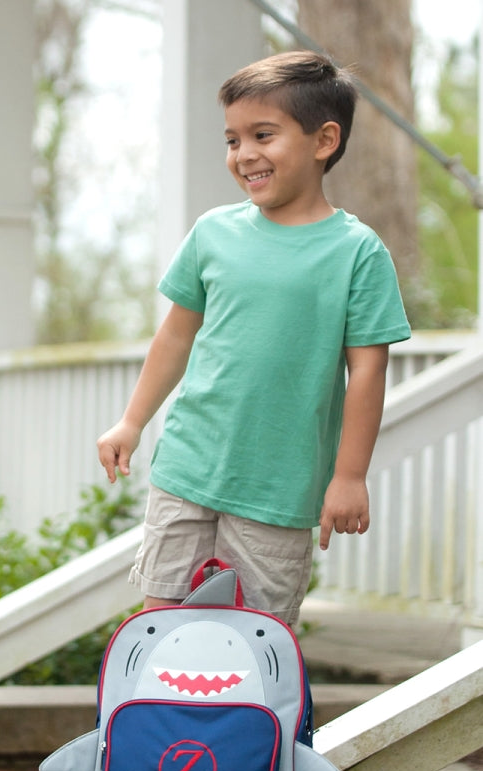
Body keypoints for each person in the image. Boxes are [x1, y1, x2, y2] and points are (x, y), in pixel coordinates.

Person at [96, 50, 411, 626]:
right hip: (189, 464)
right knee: (158, 619)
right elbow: (175, 336)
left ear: (323, 141)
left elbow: (367, 370)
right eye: (232, 140)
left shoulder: (357, 252)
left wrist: (349, 475)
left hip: (280, 486)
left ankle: (259, 720)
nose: (243, 155)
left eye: (262, 135)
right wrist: (132, 421)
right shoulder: (213, 233)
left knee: (260, 634)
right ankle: (149, 717)